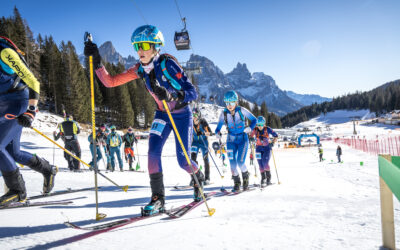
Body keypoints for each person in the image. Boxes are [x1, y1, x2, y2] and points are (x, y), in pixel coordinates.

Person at [84, 24, 203, 215]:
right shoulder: (139, 69)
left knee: (184, 161)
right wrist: (96, 61)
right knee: (153, 152)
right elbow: (110, 82)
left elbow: (192, 92)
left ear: (156, 46)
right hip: (162, 114)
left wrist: (172, 95)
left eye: (145, 46)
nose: (140, 51)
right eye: (137, 46)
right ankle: (158, 198)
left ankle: (198, 178)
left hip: (181, 114)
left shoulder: (168, 64)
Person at [0, 36, 57, 205]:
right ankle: (48, 170)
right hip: (3, 104)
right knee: (12, 153)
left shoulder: (5, 53)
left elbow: (32, 80)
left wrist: (31, 111)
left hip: (19, 101)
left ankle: (18, 191)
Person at [214, 90, 257, 191]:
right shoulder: (224, 113)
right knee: (232, 164)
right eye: (227, 103)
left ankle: (245, 177)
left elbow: (254, 120)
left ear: (236, 102)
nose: (229, 105)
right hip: (230, 141)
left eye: (232, 102)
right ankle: (237, 182)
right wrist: (217, 133)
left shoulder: (242, 110)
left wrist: (250, 128)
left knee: (240, 162)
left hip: (243, 140)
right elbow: (218, 127)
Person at [250, 116, 278, 187]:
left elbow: (276, 136)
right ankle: (263, 178)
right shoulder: (255, 130)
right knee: (260, 164)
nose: (260, 126)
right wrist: (251, 139)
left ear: (264, 124)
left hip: (267, 148)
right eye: (258, 124)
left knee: (265, 163)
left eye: (261, 124)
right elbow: (250, 136)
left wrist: (272, 143)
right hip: (258, 148)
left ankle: (268, 178)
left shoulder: (267, 129)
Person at [191, 108, 212, 185]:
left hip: (204, 142)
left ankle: (207, 178)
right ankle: (194, 178)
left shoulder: (203, 122)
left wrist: (202, 133)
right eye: (193, 115)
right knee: (192, 159)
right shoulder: (191, 122)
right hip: (195, 142)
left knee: (205, 159)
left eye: (196, 115)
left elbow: (210, 133)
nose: (194, 117)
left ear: (199, 115)